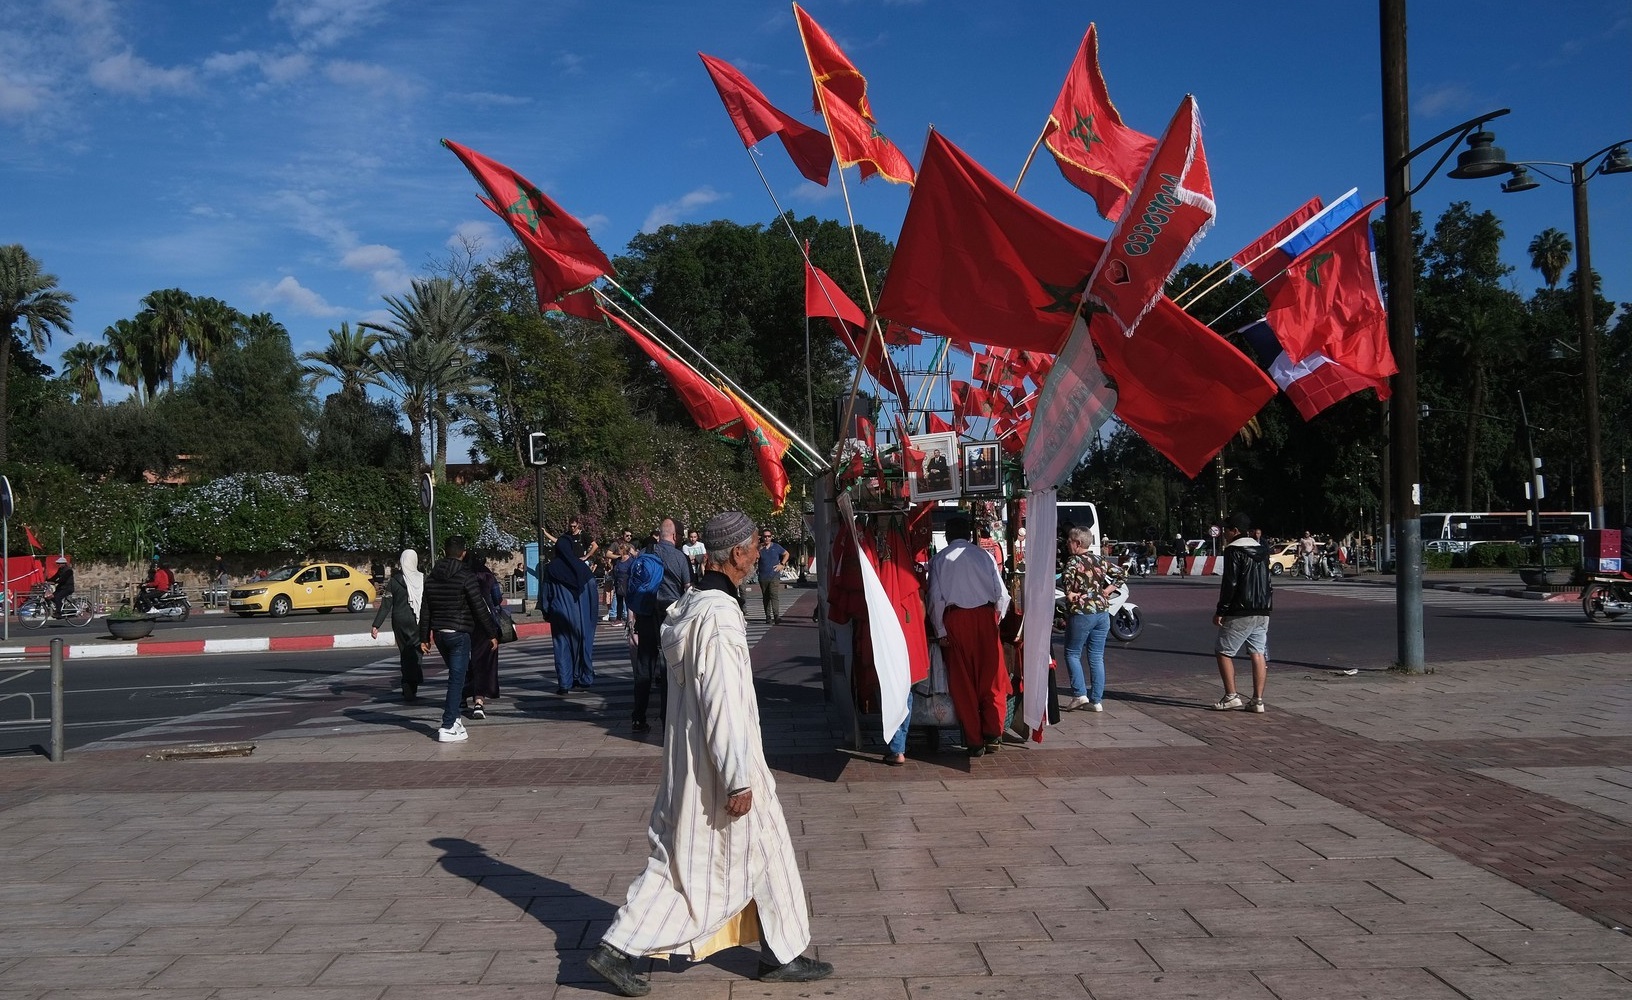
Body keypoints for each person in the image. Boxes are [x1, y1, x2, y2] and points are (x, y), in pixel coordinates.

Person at [588, 511, 833, 997]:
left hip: (699, 763)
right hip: (719, 770)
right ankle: (616, 948)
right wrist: (738, 777)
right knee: (689, 870)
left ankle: (780, 953)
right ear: (738, 554)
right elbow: (723, 702)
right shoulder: (718, 617)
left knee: (766, 853)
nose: (756, 555)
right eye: (752, 547)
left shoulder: (695, 606)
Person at [927, 515, 1011, 757]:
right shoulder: (984, 556)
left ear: (947, 536)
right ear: (969, 534)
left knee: (963, 683)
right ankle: (993, 732)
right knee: (992, 677)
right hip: (986, 618)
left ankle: (975, 741)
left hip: (956, 620)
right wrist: (996, 618)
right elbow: (1002, 594)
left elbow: (935, 599)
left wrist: (941, 630)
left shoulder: (940, 559)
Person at [417, 535, 501, 743]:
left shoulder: (432, 576)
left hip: (439, 634)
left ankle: (455, 720)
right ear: (463, 553)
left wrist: (423, 637)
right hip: (459, 633)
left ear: (445, 552)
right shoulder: (465, 575)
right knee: (456, 679)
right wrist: (492, 633)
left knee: (457, 677)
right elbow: (479, 607)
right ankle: (447, 725)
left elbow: (425, 608)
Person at [629, 518, 692, 734]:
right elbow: (688, 589)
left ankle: (638, 716)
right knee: (668, 667)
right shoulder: (680, 557)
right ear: (674, 536)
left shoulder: (645, 555)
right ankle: (668, 718)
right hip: (670, 614)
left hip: (646, 612)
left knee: (644, 665)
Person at [1213, 512, 1273, 713]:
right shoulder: (1263, 550)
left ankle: (1231, 696)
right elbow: (1268, 583)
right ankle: (1258, 700)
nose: (1224, 534)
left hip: (1241, 608)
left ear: (1235, 531)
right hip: (1263, 609)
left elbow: (1230, 583)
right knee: (1257, 652)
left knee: (1223, 651)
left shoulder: (1233, 551)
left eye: (1226, 530)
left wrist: (1221, 610)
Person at [1059, 527, 1124, 712]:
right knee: (1096, 657)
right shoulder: (1100, 560)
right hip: (1102, 612)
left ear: (1077, 543)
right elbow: (1122, 574)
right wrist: (1107, 590)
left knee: (1072, 653)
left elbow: (1066, 580)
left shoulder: (1074, 561)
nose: (1066, 544)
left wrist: (1070, 593)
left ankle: (1079, 694)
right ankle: (1096, 701)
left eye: (1069, 541)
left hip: (1082, 612)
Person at [545, 535, 598, 694]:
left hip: (560, 613)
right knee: (582, 643)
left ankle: (564, 683)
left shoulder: (552, 568)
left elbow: (547, 593)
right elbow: (592, 593)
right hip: (581, 613)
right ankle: (583, 677)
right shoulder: (582, 569)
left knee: (562, 647)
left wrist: (547, 612)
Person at [371, 549, 425, 702]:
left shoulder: (394, 581)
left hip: (399, 621)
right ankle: (412, 685)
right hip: (418, 620)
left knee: (404, 653)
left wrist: (376, 625)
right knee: (416, 652)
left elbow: (386, 604)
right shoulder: (422, 579)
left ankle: (407, 685)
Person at [462, 550, 505, 719]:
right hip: (485, 624)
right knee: (484, 662)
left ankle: (462, 695)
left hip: (464, 622)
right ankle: (479, 701)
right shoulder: (488, 576)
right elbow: (497, 598)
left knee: (464, 661)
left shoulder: (463, 574)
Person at [756, 528, 789, 624]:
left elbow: (786, 554)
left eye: (769, 536)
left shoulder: (776, 547)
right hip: (763, 576)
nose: (767, 538)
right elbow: (754, 558)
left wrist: (782, 564)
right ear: (762, 537)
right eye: (765, 536)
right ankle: (768, 616)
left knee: (773, 595)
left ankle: (776, 615)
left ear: (771, 537)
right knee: (765, 596)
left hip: (774, 575)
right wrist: (757, 553)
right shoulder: (759, 548)